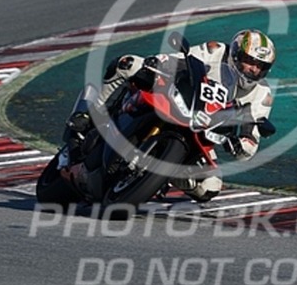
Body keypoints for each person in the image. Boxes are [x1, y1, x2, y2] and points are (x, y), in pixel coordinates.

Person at [66, 29, 276, 202]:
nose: (254, 69)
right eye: (250, 61)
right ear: (236, 55)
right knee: (128, 63)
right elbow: (181, 60)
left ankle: (160, 176)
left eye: (261, 66)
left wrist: (240, 145)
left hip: (204, 130)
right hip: (181, 99)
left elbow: (252, 138)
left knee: (210, 186)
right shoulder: (216, 50)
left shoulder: (262, 94)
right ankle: (87, 114)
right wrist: (157, 63)